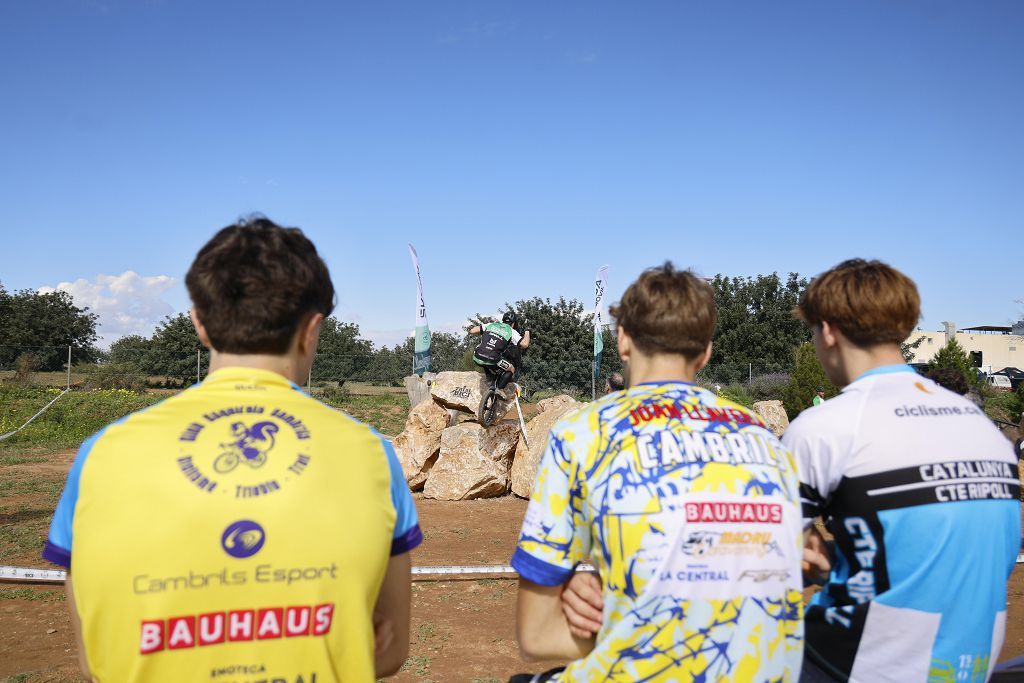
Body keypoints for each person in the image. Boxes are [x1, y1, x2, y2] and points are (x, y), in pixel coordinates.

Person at [43, 217, 421, 682]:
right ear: (311, 329)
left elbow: (94, 660)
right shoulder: (372, 454)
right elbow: (388, 650)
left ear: (199, 324)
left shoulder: (101, 454)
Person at [509, 263, 804, 682]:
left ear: (623, 339)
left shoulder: (584, 431)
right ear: (705, 353)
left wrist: (625, 615)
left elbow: (537, 636)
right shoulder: (768, 440)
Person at [783, 259, 1020, 682]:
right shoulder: (983, 427)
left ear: (828, 330)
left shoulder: (822, 427)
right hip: (968, 662)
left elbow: (775, 555)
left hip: (856, 663)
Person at [469, 311, 531, 391]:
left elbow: (472, 331)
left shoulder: (491, 325)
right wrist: (527, 332)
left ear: (503, 320)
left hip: (477, 356)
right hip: (493, 359)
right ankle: (499, 390)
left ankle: (489, 375)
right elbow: (525, 344)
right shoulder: (511, 331)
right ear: (513, 323)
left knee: (485, 355)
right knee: (511, 369)